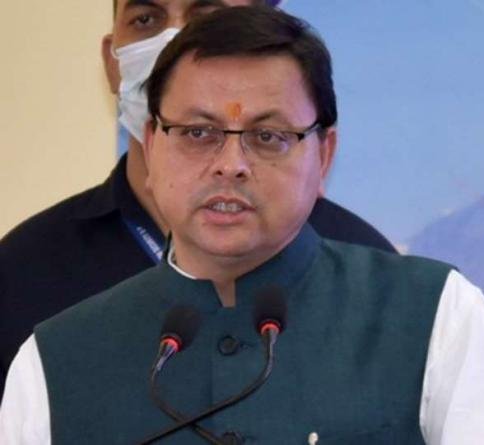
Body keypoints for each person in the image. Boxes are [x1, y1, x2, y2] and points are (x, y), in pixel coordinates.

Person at [1, 7, 484, 444]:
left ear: (324, 155)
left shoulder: (436, 315)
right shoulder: (54, 360)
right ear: (153, 144)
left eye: (268, 136)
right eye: (198, 132)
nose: (230, 164)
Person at [0, 0, 395, 397]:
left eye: (208, 17)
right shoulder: (21, 273)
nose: (173, 39)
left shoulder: (378, 287)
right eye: (145, 19)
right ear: (111, 61)